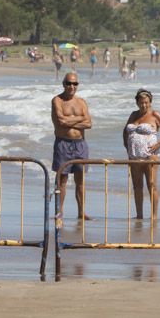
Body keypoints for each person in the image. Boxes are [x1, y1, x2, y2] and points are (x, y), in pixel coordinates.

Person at [122, 89, 160, 221]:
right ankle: (139, 215)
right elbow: (125, 131)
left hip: (150, 156)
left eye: (146, 103)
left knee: (151, 184)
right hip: (134, 157)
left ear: (150, 102)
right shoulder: (133, 115)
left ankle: (154, 215)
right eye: (141, 102)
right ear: (137, 102)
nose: (144, 105)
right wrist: (127, 146)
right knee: (137, 186)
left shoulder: (155, 114)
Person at [51, 72, 92, 222]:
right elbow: (61, 122)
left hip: (80, 144)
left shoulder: (81, 102)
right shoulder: (57, 100)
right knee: (62, 180)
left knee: (80, 180)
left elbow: (89, 123)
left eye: (75, 84)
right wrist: (79, 118)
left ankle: (81, 212)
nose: (72, 86)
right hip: (63, 143)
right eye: (69, 83)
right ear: (63, 84)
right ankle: (59, 212)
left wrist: (72, 120)